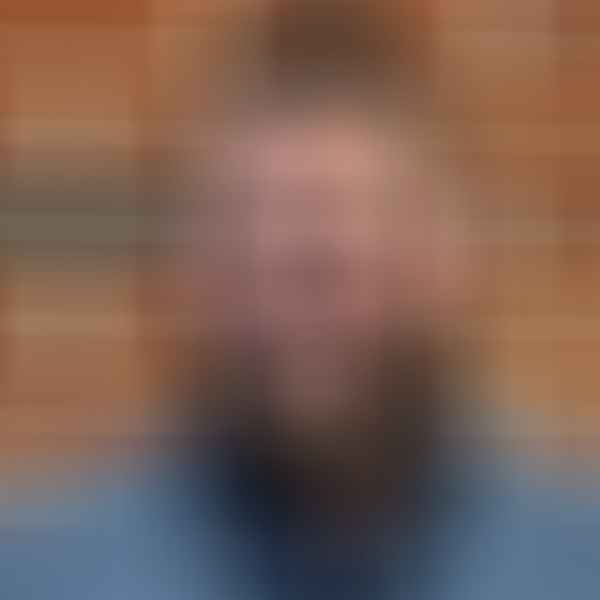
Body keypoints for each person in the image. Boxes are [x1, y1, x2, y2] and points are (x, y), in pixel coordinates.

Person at [1, 3, 599, 598]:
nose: (311, 314)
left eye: (346, 254)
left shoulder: (575, 565)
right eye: (260, 242)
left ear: (457, 254)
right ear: (192, 266)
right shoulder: (46, 576)